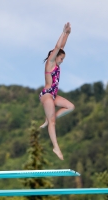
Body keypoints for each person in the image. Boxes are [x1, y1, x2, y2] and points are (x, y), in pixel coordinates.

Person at [39, 22, 75, 160]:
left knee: (70, 106)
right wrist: (62, 32)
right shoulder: (50, 63)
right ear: (55, 57)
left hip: (54, 95)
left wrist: (68, 34)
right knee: (53, 122)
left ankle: (49, 119)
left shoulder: (57, 62)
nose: (62, 61)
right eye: (61, 58)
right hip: (47, 95)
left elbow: (62, 47)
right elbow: (58, 47)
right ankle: (56, 147)